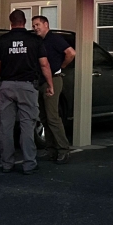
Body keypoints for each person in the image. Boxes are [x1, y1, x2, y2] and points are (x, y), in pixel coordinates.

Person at [0, 10, 53, 175]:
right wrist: (50, 84)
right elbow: (44, 65)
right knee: (27, 125)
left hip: (7, 86)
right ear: (24, 22)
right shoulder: (35, 40)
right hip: (27, 86)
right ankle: (29, 164)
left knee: (6, 126)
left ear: (11, 22)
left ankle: (7, 164)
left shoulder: (1, 41)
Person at [31, 15, 75, 164]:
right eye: (33, 26)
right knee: (43, 117)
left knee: (53, 117)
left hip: (53, 80)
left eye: (37, 25)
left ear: (46, 24)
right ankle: (51, 150)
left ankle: (63, 149)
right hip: (41, 81)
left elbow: (71, 53)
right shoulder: (39, 41)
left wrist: (61, 66)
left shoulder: (54, 39)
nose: (35, 28)